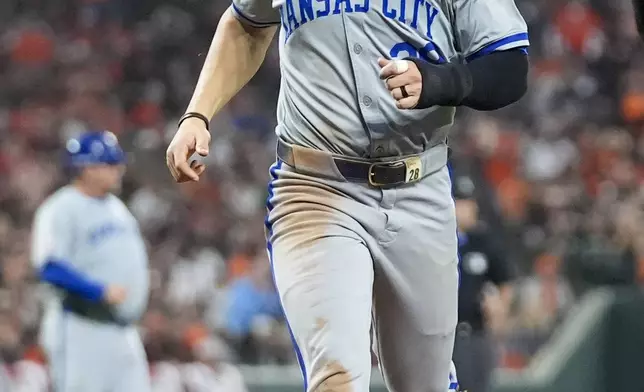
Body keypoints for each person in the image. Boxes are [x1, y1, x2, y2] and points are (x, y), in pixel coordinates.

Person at [165, 0, 529, 390]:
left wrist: (440, 81)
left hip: (419, 187)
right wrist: (197, 114)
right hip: (316, 186)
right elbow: (246, 25)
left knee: (428, 384)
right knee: (336, 377)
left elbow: (510, 66)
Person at [30, 131, 151, 392]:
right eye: (109, 163)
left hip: (124, 331)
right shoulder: (61, 207)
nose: (118, 169)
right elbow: (49, 267)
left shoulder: (118, 208)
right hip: (81, 328)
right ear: (86, 168)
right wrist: (99, 291)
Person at [451, 174, 515, 392]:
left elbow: (505, 282)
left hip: (474, 334)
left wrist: (500, 313)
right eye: (458, 201)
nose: (463, 208)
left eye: (467, 202)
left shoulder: (484, 241)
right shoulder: (436, 241)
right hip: (439, 336)